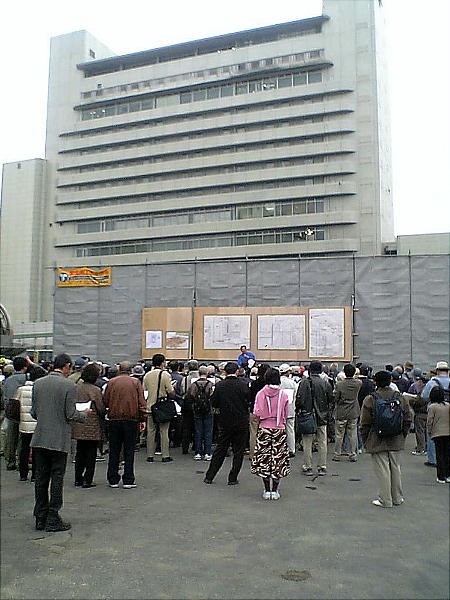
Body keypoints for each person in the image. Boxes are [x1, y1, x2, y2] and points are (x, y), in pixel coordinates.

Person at [30, 353, 89, 532]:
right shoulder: (69, 385)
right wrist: (84, 414)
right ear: (67, 366)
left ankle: (40, 516)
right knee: (56, 478)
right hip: (59, 439)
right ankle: (53, 517)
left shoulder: (38, 383)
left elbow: (34, 413)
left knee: (41, 479)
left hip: (40, 437)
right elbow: (70, 414)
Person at [360, 370, 412, 508]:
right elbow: (408, 418)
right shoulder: (400, 397)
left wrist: (366, 440)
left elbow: (364, 423)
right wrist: (403, 434)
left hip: (377, 438)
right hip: (396, 438)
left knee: (382, 470)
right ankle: (397, 497)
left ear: (376, 382)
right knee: (395, 468)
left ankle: (385, 499)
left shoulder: (371, 399)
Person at [204, 362, 250, 485]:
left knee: (220, 449)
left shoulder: (220, 385)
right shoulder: (243, 385)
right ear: (237, 371)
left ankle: (210, 476)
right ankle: (233, 478)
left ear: (224, 372)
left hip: (225, 421)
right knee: (238, 451)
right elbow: (248, 401)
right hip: (241, 421)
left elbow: (214, 402)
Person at [104, 361, 146, 487]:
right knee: (129, 450)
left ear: (119, 370)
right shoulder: (136, 382)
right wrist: (143, 419)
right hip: (131, 419)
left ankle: (113, 478)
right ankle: (128, 478)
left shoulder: (111, 382)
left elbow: (105, 400)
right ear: (130, 370)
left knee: (114, 450)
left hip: (114, 419)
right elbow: (141, 402)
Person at [251, 368, 290, 500]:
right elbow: (286, 413)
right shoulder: (283, 394)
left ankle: (267, 490)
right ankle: (275, 490)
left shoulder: (261, 393)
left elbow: (256, 412)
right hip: (279, 428)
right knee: (278, 459)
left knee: (264, 459)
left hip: (264, 428)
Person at [295, 361, 333, 476]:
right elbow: (331, 399)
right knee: (322, 442)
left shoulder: (304, 382)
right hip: (322, 416)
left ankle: (308, 466)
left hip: (307, 415)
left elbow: (299, 399)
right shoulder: (325, 383)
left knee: (307, 442)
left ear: (310, 370)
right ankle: (322, 466)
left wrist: (299, 409)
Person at [72, 363, 106, 488]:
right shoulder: (96, 390)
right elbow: (101, 409)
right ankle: (88, 479)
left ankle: (78, 478)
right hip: (92, 424)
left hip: (78, 422)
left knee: (80, 452)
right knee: (91, 453)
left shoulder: (76, 388)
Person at [16, 366, 48, 481]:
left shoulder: (21, 389)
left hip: (24, 423)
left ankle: (23, 474)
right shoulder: (41, 389)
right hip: (37, 424)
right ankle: (35, 474)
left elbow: (15, 404)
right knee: (36, 451)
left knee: (24, 449)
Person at [143, 354, 175, 463]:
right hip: (162, 407)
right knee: (164, 431)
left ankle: (150, 455)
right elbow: (171, 392)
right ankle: (165, 455)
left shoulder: (147, 375)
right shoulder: (165, 375)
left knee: (150, 431)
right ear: (162, 363)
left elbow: (144, 391)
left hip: (150, 406)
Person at [421, 362, 450, 469]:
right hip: (448, 409)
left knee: (433, 434)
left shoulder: (432, 382)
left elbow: (424, 396)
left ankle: (433, 459)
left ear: (437, 371)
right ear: (447, 371)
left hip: (435, 409)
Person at [332, 363, 362, 462]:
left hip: (341, 411)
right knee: (352, 434)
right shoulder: (358, 383)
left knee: (339, 434)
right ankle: (353, 454)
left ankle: (337, 454)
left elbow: (336, 398)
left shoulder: (339, 385)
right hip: (353, 411)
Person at [3, 356, 29, 471]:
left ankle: (10, 461)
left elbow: (5, 397)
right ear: (25, 367)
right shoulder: (27, 378)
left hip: (11, 411)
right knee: (22, 439)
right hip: (24, 411)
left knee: (11, 437)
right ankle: (21, 462)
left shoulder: (8, 380)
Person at [186, 365, 214, 460]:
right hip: (208, 409)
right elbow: (212, 396)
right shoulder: (210, 384)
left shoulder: (194, 384)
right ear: (207, 373)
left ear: (199, 373)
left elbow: (190, 395)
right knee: (208, 431)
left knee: (198, 431)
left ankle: (197, 452)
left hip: (197, 409)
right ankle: (207, 453)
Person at [426, 386, 450, 484]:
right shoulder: (448, 405)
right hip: (448, 432)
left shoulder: (432, 407)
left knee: (439, 455)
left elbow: (430, 421)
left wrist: (429, 431)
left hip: (437, 433)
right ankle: (448, 475)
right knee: (447, 454)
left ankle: (441, 476)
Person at [248, 364, 270, 459]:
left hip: (255, 409)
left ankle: (253, 453)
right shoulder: (269, 385)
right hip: (267, 411)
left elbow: (250, 397)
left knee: (253, 432)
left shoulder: (254, 383)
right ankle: (265, 453)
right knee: (266, 432)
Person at [279, 364, 297, 457]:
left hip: (279, 410)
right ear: (288, 372)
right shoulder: (292, 383)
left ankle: (280, 448)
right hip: (290, 410)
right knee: (290, 430)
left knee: (279, 430)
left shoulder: (278, 382)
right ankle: (291, 449)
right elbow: (295, 396)